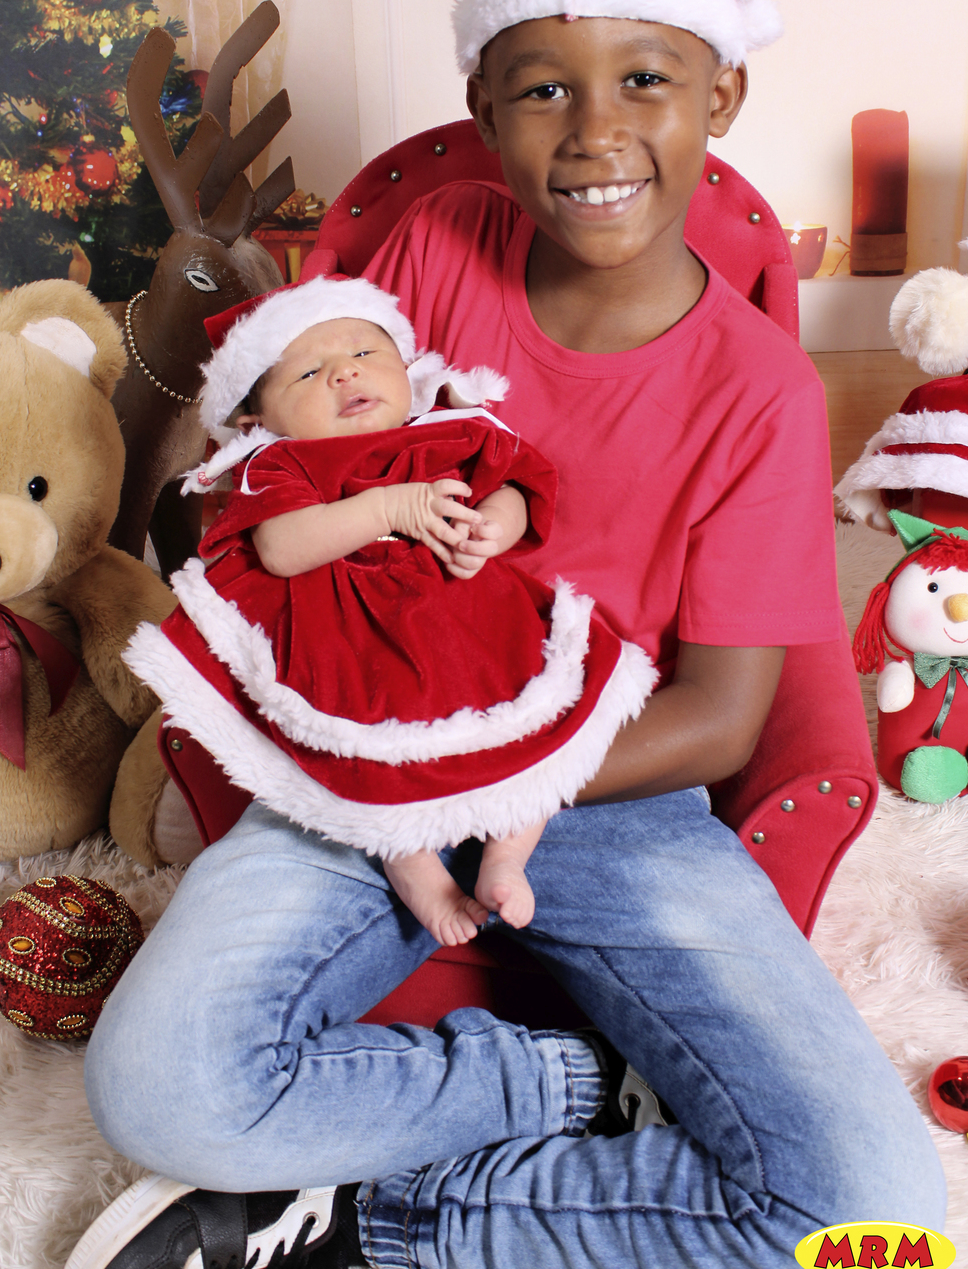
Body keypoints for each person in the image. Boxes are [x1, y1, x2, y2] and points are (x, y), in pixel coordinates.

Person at [60, 0, 945, 1269]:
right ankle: (565, 1085)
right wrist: (376, 761)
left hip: (611, 792)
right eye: (544, 88)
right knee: (155, 1087)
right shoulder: (432, 251)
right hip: (363, 762)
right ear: (482, 109)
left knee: (878, 1237)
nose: (597, 132)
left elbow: (726, 717)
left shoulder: (761, 390)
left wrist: (502, 775)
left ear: (723, 95)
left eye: (647, 78)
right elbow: (268, 476)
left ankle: (369, 1207)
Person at [122, 276, 654, 944]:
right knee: (368, 757)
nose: (345, 372)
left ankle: (507, 858)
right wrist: (389, 508)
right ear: (258, 420)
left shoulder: (447, 429)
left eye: (365, 353)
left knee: (544, 735)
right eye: (308, 373)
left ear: (408, 369)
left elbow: (515, 485)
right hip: (356, 636)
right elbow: (280, 548)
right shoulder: (283, 462)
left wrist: (495, 526)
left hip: (473, 619)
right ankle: (414, 865)